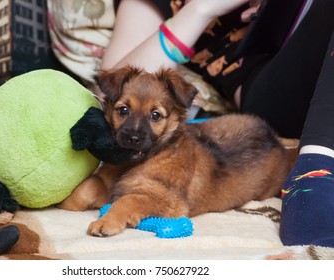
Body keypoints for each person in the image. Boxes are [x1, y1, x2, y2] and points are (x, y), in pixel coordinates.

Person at [97, 0, 334, 247]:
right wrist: (202, 8)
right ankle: (313, 178)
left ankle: (317, 169)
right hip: (270, 93)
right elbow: (110, 92)